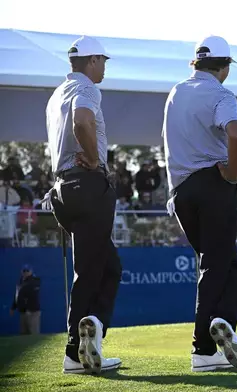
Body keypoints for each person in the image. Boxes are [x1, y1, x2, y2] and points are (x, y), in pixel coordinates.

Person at [162, 35, 237, 372]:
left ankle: (222, 326)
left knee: (225, 264)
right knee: (218, 266)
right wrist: (232, 174)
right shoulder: (221, 93)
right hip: (213, 184)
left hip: (182, 191)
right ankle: (203, 348)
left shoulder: (176, 92)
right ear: (225, 66)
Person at [43, 35, 122, 375]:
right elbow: (82, 121)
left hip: (62, 189)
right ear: (91, 61)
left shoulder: (55, 94)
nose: (104, 66)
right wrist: (95, 160)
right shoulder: (87, 88)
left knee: (107, 266)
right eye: (102, 60)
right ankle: (75, 352)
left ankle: (91, 335)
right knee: (90, 271)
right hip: (86, 183)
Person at [10, 265, 41, 335]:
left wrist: (29, 309)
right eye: (24, 271)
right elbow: (17, 296)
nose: (25, 273)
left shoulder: (35, 280)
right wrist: (13, 307)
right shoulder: (21, 282)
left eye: (27, 271)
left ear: (31, 271)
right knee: (24, 333)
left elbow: (32, 296)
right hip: (23, 311)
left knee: (33, 332)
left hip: (33, 311)